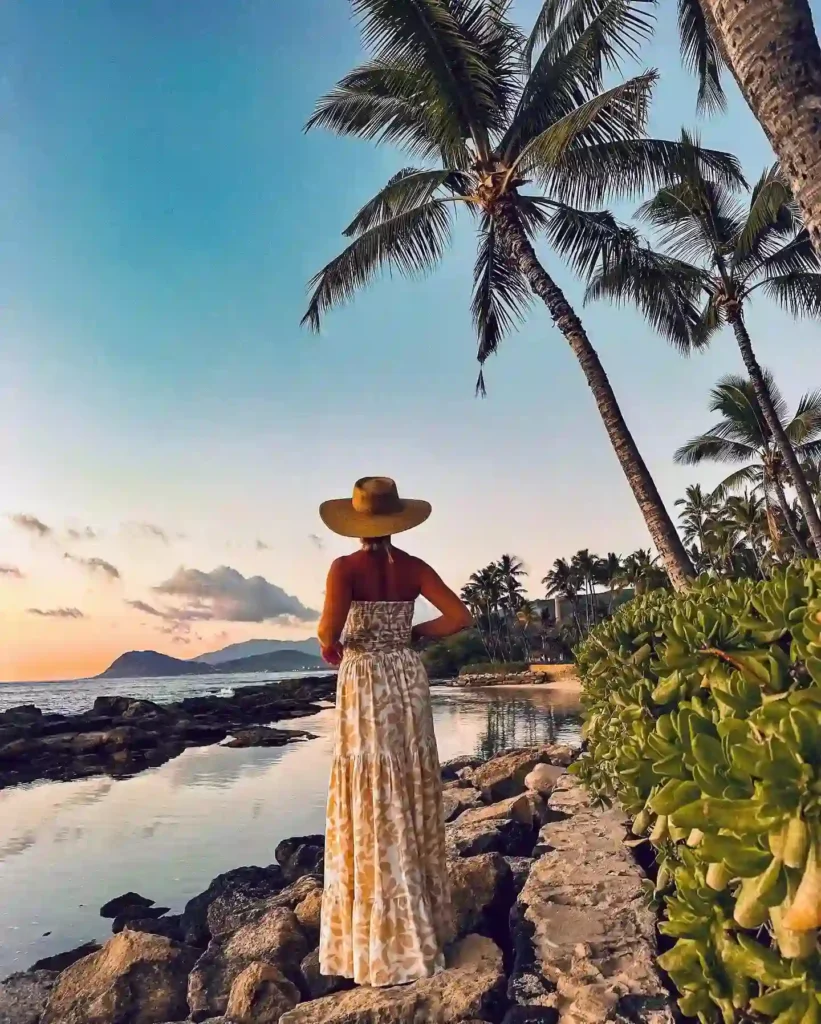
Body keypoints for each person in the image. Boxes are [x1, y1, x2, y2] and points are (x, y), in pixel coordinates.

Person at [316, 476, 472, 987]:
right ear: (396, 519)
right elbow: (459, 617)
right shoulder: (414, 568)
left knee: (371, 789)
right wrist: (413, 632)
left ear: (356, 523)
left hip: (366, 680)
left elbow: (328, 631)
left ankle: (379, 937)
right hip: (406, 676)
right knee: (407, 781)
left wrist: (330, 645)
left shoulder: (344, 568)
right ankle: (422, 922)